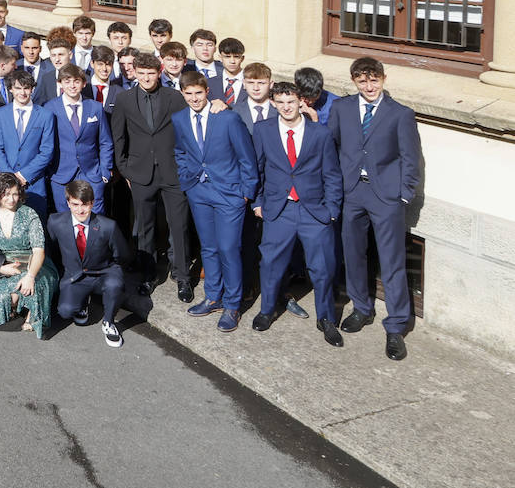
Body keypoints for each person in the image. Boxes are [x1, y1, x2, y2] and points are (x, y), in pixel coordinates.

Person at [328, 57, 422, 361]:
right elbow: (332, 147)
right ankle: (362, 308)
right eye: (363, 81)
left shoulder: (400, 114)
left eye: (374, 80)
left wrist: (403, 195)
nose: (369, 87)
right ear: (354, 81)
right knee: (353, 253)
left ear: (383, 79)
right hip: (352, 192)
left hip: (385, 196)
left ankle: (395, 326)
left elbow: (411, 158)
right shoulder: (341, 109)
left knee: (392, 259)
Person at [251, 82, 345, 348]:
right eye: (280, 102)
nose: (286, 107)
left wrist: (332, 211)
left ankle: (326, 318)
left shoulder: (320, 134)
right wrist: (257, 202)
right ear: (273, 104)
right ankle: (267, 310)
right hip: (279, 210)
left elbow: (332, 174)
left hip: (314, 211)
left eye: (290, 101)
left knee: (323, 267)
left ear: (301, 102)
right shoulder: (263, 130)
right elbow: (256, 168)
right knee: (270, 264)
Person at [173, 71, 258, 333]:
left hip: (229, 193)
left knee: (229, 248)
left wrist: (246, 191)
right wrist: (187, 178)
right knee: (208, 247)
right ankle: (213, 296)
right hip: (198, 191)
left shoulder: (228, 118)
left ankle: (232, 304)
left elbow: (246, 157)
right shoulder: (179, 118)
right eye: (188, 94)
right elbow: (180, 150)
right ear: (183, 94)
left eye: (198, 93)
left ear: (207, 91)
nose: (194, 99)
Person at [110, 51, 194, 301]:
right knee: (144, 227)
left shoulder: (174, 97)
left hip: (172, 171)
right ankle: (148, 275)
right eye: (142, 73)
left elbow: (186, 133)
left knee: (178, 225)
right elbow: (119, 138)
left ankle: (182, 277)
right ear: (134, 73)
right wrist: (125, 169)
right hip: (139, 172)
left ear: (160, 73)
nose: (147, 78)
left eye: (151, 73)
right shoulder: (124, 100)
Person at [49, 180, 129, 349]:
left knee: (115, 284)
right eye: (75, 204)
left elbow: (122, 255)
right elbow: (52, 250)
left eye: (85, 204)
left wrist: (114, 272)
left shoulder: (108, 226)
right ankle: (81, 302)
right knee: (65, 311)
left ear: (92, 203)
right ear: (68, 203)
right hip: (75, 276)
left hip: (103, 272)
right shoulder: (55, 222)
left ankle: (108, 322)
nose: (80, 210)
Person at [0, 172, 57, 338]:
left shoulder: (29, 214)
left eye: (15, 193)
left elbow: (39, 250)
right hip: (4, 267)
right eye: (6, 194)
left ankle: (29, 312)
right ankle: (16, 305)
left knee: (34, 285)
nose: (11, 199)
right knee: (2, 298)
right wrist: (1, 269)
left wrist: (30, 275)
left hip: (34, 264)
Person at [46, 63, 114, 214]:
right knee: (64, 220)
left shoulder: (95, 107)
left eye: (76, 81)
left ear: (84, 84)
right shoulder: (50, 108)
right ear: (60, 83)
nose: (72, 86)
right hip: (61, 174)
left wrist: (104, 171)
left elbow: (105, 142)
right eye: (67, 81)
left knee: (95, 217)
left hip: (92, 174)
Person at [0, 70, 56, 217]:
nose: (22, 92)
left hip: (34, 184)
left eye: (26, 88)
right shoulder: (1, 114)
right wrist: (10, 177)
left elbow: (47, 151)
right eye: (18, 88)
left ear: (32, 89)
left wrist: (24, 175)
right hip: (7, 185)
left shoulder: (45, 115)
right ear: (10, 89)